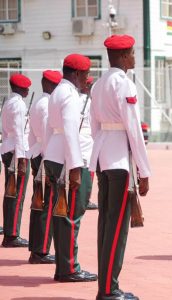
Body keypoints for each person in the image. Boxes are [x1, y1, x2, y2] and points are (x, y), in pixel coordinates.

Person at [90, 34, 150, 300]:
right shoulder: (123, 84)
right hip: (119, 162)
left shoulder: (98, 84)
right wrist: (144, 170)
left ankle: (105, 286)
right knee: (116, 229)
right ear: (124, 57)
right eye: (133, 53)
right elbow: (134, 130)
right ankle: (109, 290)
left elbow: (93, 126)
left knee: (106, 225)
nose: (134, 58)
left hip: (103, 158)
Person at [43, 54, 97, 282]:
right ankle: (69, 268)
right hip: (69, 160)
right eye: (85, 75)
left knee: (61, 213)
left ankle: (64, 266)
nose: (86, 80)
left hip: (55, 155)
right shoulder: (70, 95)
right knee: (72, 215)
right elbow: (71, 131)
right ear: (76, 74)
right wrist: (75, 166)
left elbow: (49, 129)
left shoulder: (57, 92)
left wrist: (47, 159)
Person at [27, 70, 62, 264]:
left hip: (36, 151)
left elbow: (31, 134)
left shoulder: (37, 103)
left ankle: (36, 247)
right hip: (45, 155)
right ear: (51, 85)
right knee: (47, 204)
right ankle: (40, 251)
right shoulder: (48, 105)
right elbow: (49, 136)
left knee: (38, 203)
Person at [1, 73, 32, 248]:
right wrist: (21, 158)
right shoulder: (19, 104)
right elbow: (20, 133)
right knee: (16, 195)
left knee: (10, 193)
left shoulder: (8, 103)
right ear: (20, 89)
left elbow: (6, 132)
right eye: (26, 88)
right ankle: (12, 235)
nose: (28, 90)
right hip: (16, 152)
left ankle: (9, 232)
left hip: (8, 148)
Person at [79, 76, 98, 211]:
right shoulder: (89, 102)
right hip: (87, 137)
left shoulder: (75, 98)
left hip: (78, 137)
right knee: (88, 170)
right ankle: (85, 198)